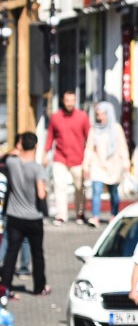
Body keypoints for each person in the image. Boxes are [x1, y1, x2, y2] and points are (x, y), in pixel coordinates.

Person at [1, 133, 50, 299]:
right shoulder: (37, 168)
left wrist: (14, 150)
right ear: (36, 146)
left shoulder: (12, 162)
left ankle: (6, 288)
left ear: (20, 145)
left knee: (11, 254)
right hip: (33, 218)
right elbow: (41, 194)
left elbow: (3, 157)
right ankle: (39, 287)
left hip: (14, 216)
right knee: (37, 253)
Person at [43, 91, 91, 225]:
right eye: (67, 100)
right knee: (59, 186)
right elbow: (50, 137)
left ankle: (79, 214)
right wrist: (45, 154)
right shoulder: (55, 117)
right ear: (63, 101)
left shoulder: (82, 117)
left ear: (75, 101)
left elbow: (90, 137)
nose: (69, 103)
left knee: (79, 187)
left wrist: (89, 159)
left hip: (78, 158)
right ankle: (61, 216)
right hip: (60, 157)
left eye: (72, 100)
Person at [83, 102, 130, 227]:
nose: (100, 117)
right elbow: (89, 148)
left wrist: (126, 162)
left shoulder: (116, 128)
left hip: (114, 166)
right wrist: (86, 165)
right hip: (97, 165)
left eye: (102, 114)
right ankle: (95, 217)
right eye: (98, 114)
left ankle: (114, 214)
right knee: (96, 191)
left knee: (114, 193)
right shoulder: (94, 129)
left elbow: (122, 146)